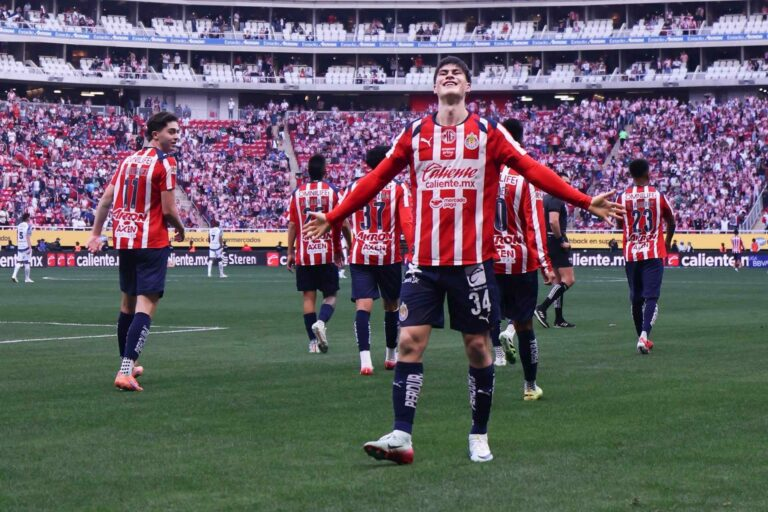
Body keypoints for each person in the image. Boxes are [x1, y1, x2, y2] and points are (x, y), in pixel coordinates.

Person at [303, 56, 621, 464]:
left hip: (472, 264)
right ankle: (401, 435)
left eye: (457, 74)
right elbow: (377, 178)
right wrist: (334, 216)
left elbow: (531, 169)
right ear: (435, 88)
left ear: (468, 87)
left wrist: (582, 200)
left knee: (477, 347)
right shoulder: (415, 133)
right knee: (408, 342)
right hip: (423, 264)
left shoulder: (489, 133)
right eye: (443, 74)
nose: (449, 77)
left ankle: (478, 434)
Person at [87, 112, 185, 392]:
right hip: (151, 241)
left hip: (125, 241)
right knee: (146, 306)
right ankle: (125, 370)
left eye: (177, 132)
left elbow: (106, 200)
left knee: (127, 306)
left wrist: (95, 234)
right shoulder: (166, 163)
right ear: (155, 134)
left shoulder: (127, 161)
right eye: (171, 132)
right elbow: (168, 210)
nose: (176, 137)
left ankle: (127, 365)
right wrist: (181, 229)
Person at [490, 118, 555, 404]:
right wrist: (545, 265)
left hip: (489, 260)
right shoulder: (525, 176)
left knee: (487, 320)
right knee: (525, 325)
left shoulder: (483, 175)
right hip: (520, 262)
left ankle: (488, 379)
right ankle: (530, 386)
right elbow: (535, 226)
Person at [340, 145, 414, 375]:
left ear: (367, 164)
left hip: (361, 254)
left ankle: (365, 361)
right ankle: (391, 356)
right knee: (391, 306)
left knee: (363, 306)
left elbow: (341, 218)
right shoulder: (399, 188)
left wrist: (351, 242)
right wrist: (413, 250)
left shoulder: (353, 186)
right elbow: (407, 222)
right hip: (388, 256)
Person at [617, 159, 675, 354]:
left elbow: (619, 224)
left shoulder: (622, 197)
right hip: (653, 252)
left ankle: (641, 337)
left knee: (636, 298)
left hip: (631, 254)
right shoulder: (658, 196)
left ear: (631, 175)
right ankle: (643, 336)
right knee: (651, 296)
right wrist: (667, 241)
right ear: (647, 173)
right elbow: (671, 221)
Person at [287, 154, 344, 354]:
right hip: (326, 252)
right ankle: (321, 322)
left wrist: (290, 252)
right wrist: (341, 247)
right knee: (330, 296)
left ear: (308, 172)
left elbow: (292, 224)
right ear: (325, 170)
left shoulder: (297, 194)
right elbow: (342, 221)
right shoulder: (333, 191)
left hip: (305, 254)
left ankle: (313, 343)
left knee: (308, 299)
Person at [534, 172, 577, 329]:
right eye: (565, 182)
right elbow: (553, 221)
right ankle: (542, 307)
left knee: (559, 281)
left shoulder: (545, 198)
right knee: (569, 279)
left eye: (569, 182)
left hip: (547, 240)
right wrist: (561, 241)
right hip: (555, 241)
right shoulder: (556, 198)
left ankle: (558, 319)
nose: (567, 185)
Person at [10, 213, 33, 283]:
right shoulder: (29, 225)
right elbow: (27, 236)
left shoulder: (19, 225)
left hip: (20, 245)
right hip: (26, 245)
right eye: (29, 217)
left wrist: (19, 243)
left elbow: (17, 236)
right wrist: (30, 247)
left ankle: (14, 275)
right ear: (27, 218)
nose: (30, 218)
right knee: (27, 262)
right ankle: (27, 279)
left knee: (19, 261)